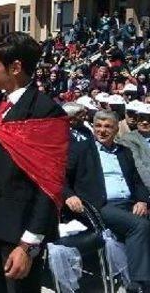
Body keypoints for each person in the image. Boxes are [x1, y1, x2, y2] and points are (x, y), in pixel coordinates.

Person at [0, 32, 68, 293]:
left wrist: (28, 245)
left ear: (15, 67)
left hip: (16, 233)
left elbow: (49, 185)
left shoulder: (45, 111)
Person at [64, 111, 150, 292]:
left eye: (107, 127)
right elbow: (61, 179)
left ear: (116, 129)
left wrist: (142, 200)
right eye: (98, 126)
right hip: (99, 205)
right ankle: (138, 284)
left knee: (141, 223)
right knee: (139, 226)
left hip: (128, 203)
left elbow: (137, 181)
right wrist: (69, 195)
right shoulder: (81, 149)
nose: (102, 131)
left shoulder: (124, 152)